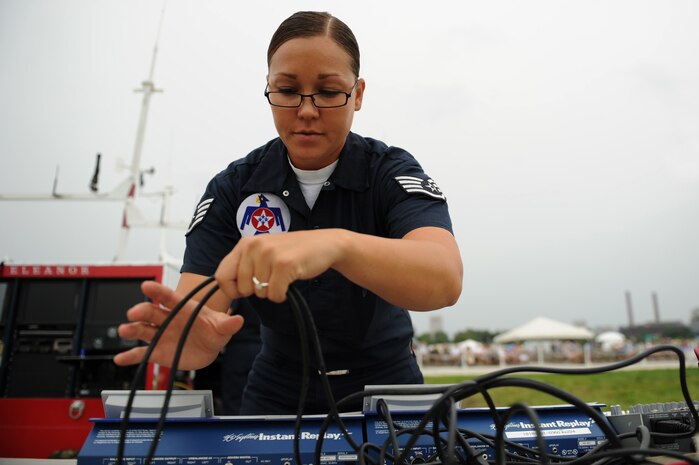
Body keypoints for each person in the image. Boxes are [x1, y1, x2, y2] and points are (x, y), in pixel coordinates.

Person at [115, 11, 463, 414]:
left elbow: (445, 278)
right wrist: (197, 343)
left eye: (329, 92)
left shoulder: (390, 173)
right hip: (277, 395)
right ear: (268, 89)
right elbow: (198, 312)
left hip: (387, 389)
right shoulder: (233, 188)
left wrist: (337, 245)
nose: (307, 110)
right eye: (287, 90)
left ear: (359, 94)